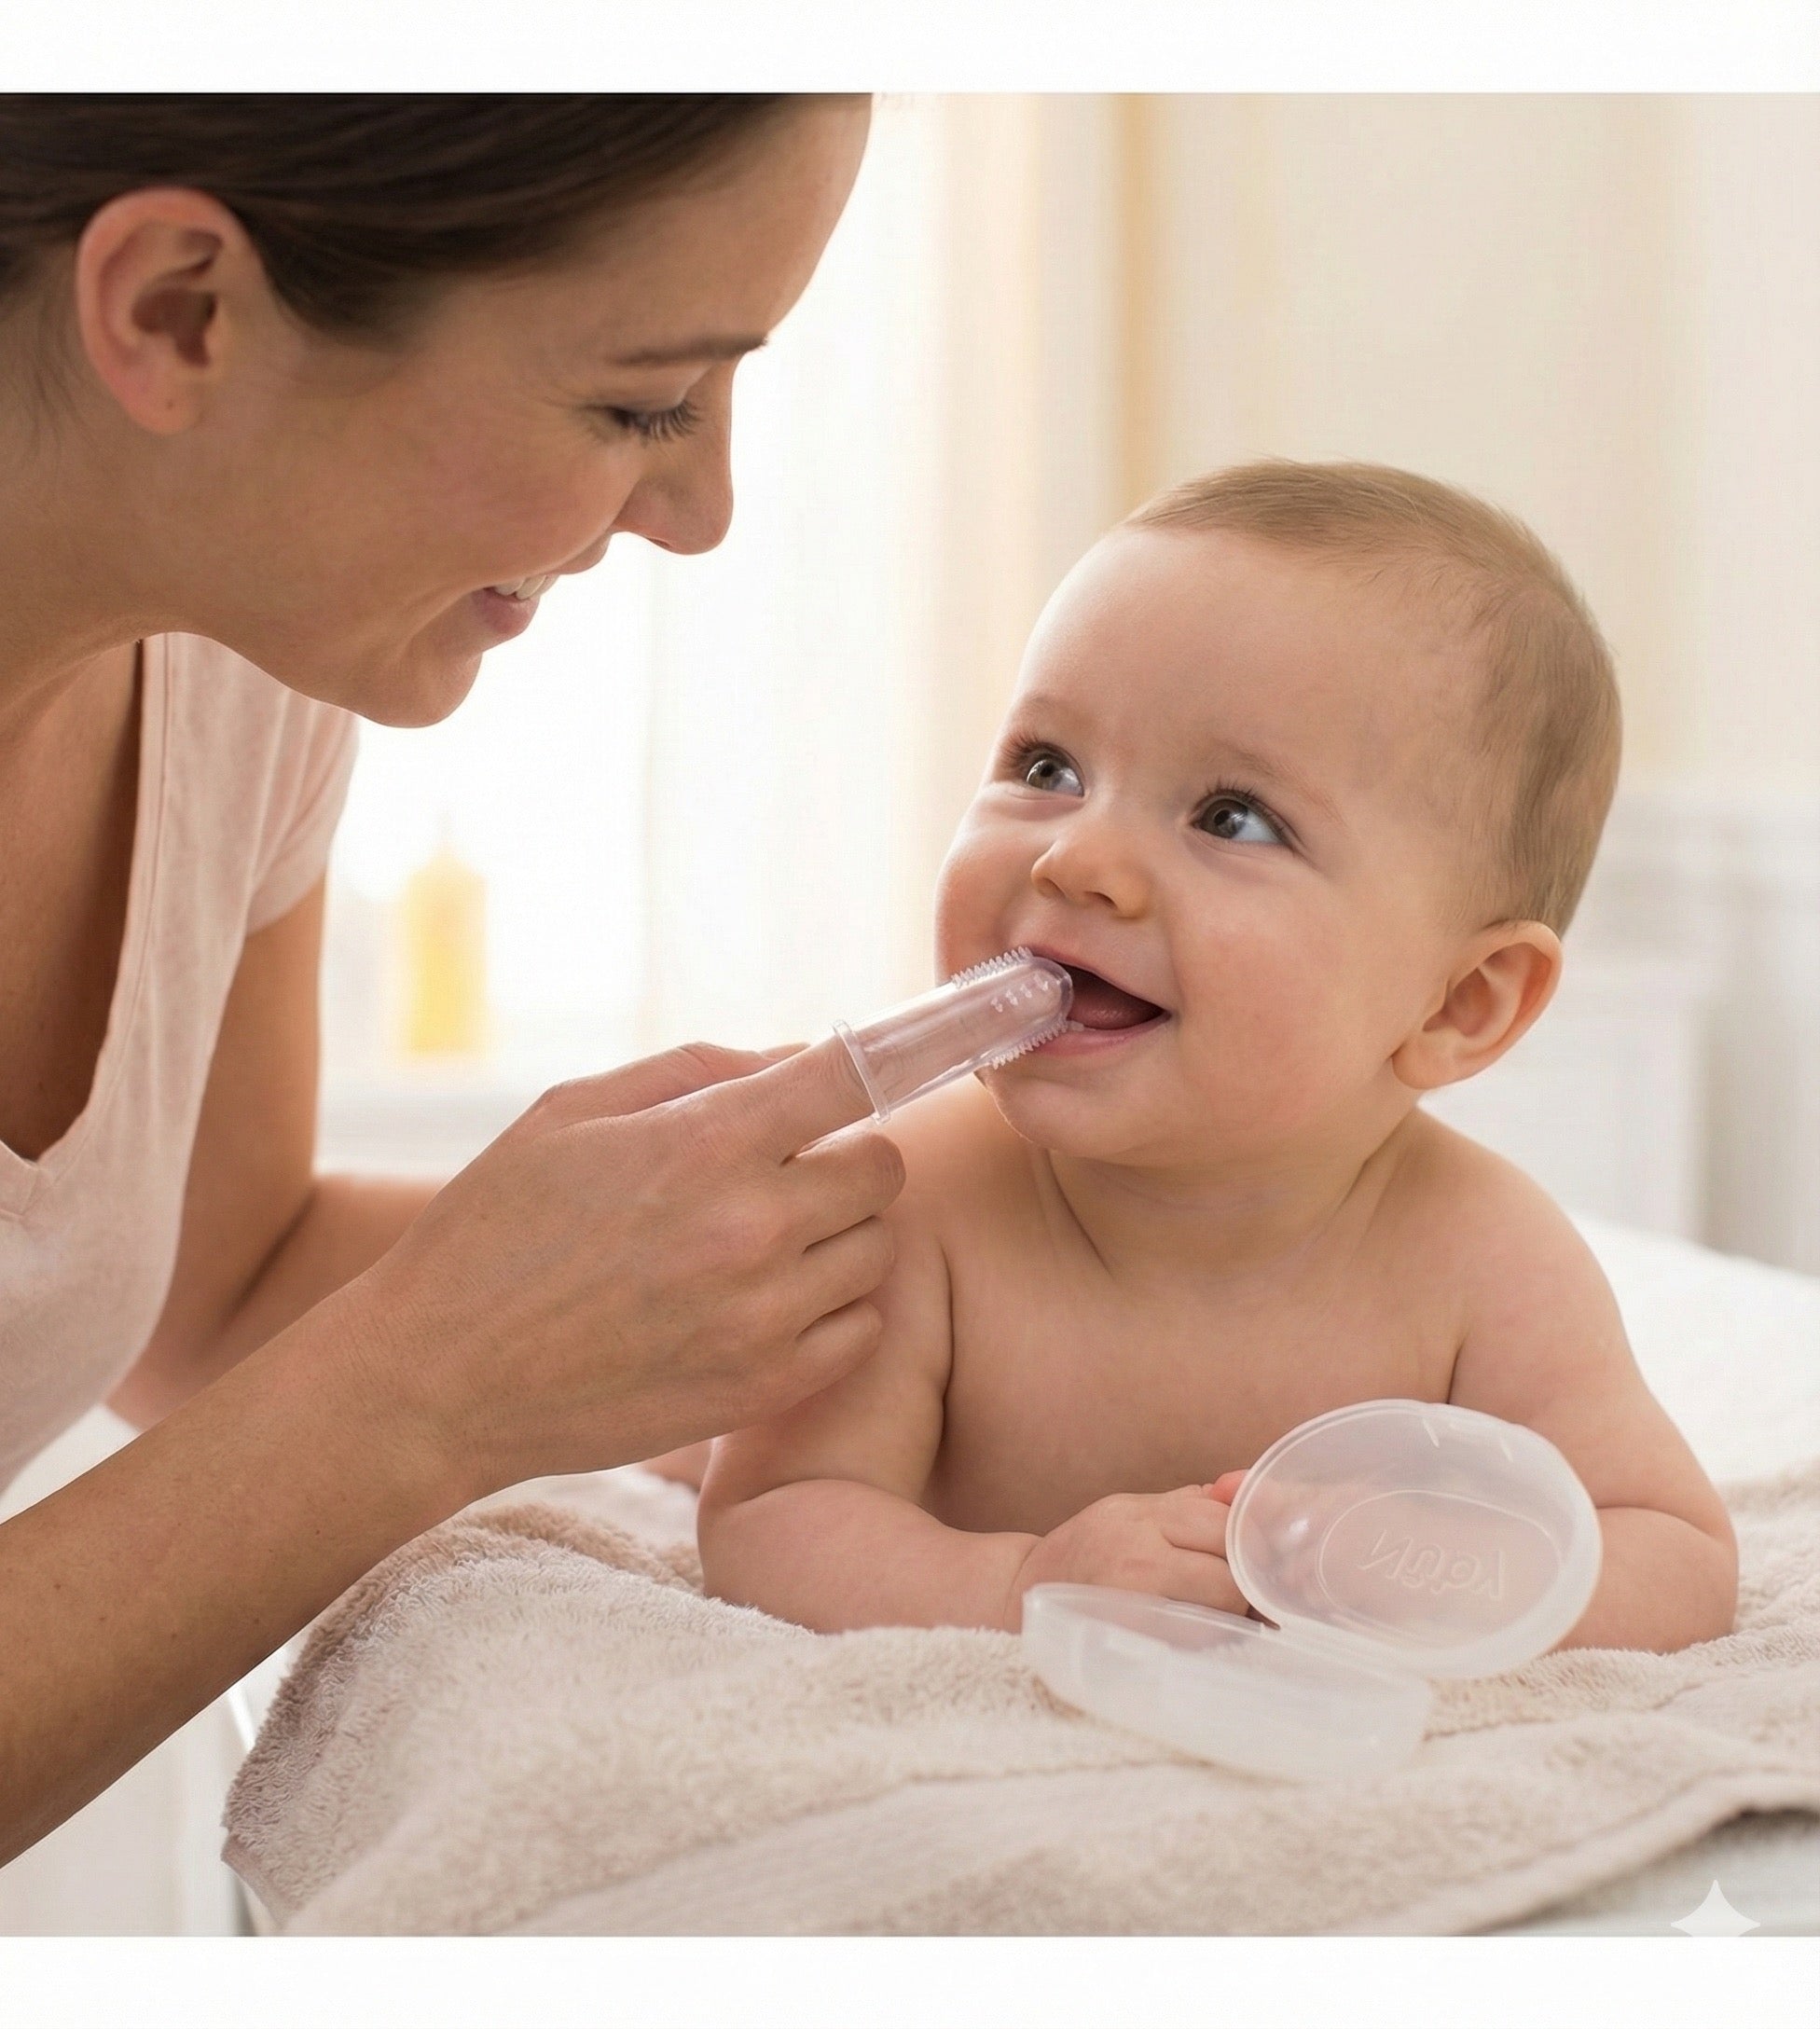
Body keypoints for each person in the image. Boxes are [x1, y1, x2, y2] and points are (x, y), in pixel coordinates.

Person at [0, 93, 899, 1865]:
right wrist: (424, 1389)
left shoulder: (232, 663)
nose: (703, 512)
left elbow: (228, 1283)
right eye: (642, 402)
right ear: (179, 309)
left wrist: (949, 1263)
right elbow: (368, 1374)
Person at [697, 459, 1740, 1653]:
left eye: (1230, 816)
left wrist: (1422, 1582)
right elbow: (770, 1514)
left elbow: (1673, 1554)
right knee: (707, 1415)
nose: (1075, 859)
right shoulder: (910, 1199)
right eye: (1046, 768)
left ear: (1458, 1002)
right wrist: (1017, 1581)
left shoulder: (1483, 1258)